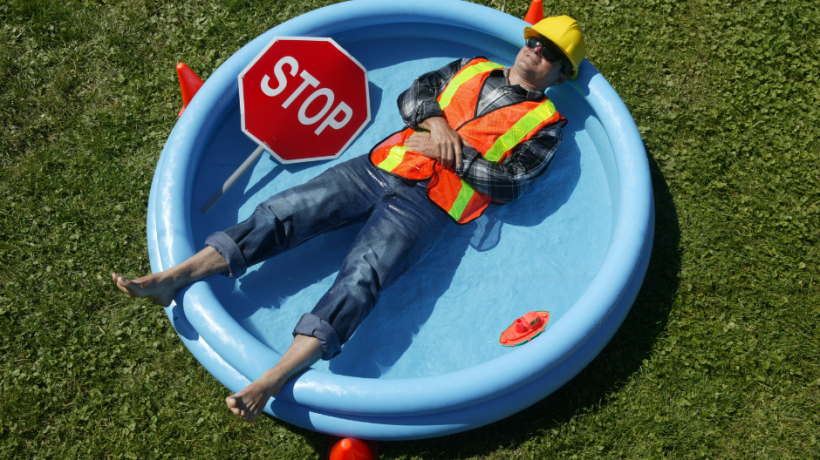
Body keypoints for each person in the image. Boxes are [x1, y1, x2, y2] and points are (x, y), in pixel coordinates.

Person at [112, 16, 585, 422]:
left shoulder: (548, 126)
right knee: (283, 211)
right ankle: (175, 277)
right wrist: (436, 124)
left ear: (561, 74)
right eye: (534, 42)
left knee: (362, 279)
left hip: (430, 206)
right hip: (377, 166)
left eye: (548, 54)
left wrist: (451, 156)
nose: (535, 52)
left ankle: (275, 377)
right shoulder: (471, 67)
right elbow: (413, 95)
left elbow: (512, 185)